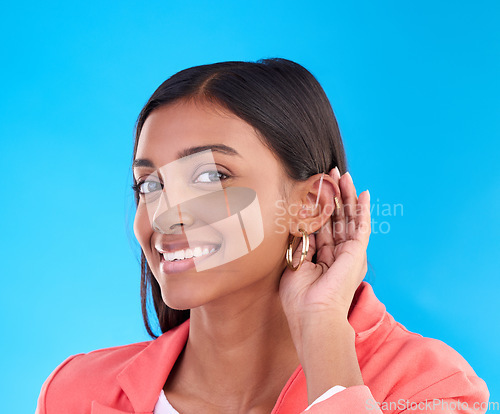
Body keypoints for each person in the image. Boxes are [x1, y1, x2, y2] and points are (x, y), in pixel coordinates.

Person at [35, 58, 489, 414]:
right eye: (150, 185)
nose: (166, 214)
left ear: (311, 204)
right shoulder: (73, 392)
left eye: (212, 177)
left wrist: (322, 327)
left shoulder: (428, 387)